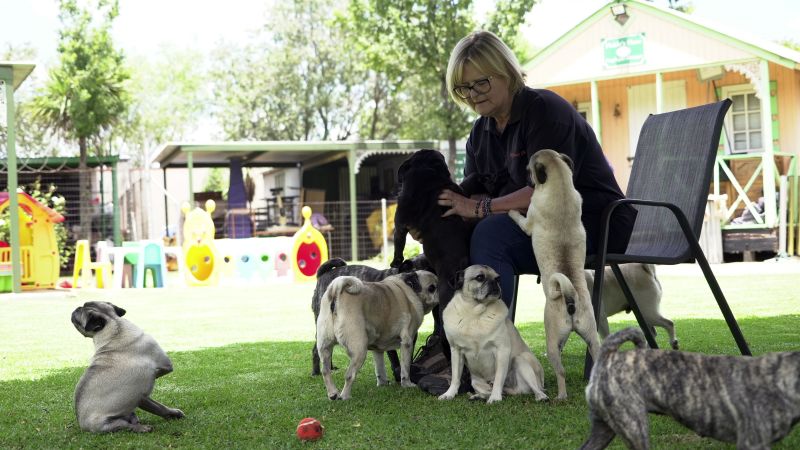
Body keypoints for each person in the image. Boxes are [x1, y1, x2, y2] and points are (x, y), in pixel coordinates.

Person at [413, 30, 636, 395]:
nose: (473, 95)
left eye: (480, 83)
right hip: (536, 227)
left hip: (595, 223)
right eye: (463, 89)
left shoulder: (545, 111)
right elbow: (478, 188)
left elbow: (544, 192)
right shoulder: (481, 131)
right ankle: (457, 345)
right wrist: (437, 220)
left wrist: (481, 208)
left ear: (506, 72)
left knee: (490, 232)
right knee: (465, 234)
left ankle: (491, 348)